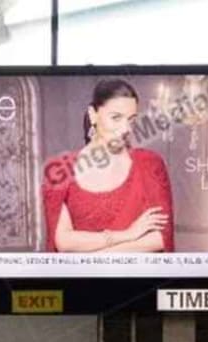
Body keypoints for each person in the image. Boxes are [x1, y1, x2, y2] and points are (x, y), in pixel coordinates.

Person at [42, 78, 174, 254]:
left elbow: (160, 238)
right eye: (116, 118)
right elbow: (64, 242)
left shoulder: (150, 164)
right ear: (93, 115)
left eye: (131, 120)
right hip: (81, 273)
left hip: (134, 272)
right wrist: (128, 234)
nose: (126, 129)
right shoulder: (60, 171)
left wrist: (95, 259)